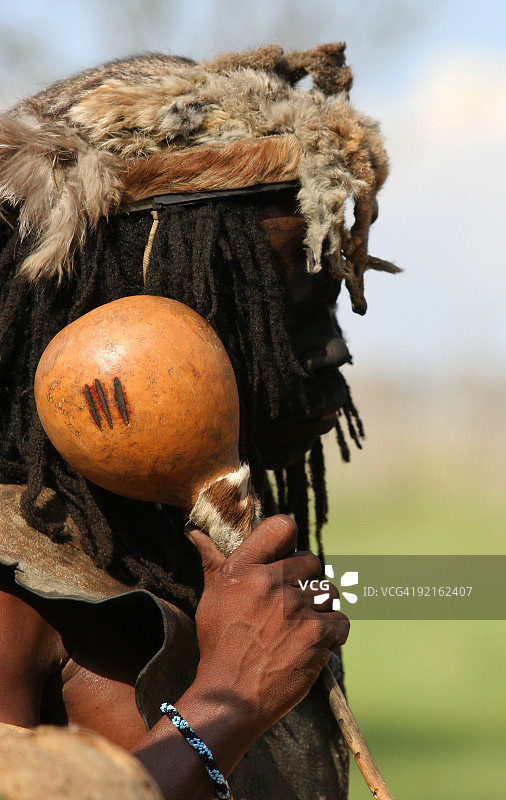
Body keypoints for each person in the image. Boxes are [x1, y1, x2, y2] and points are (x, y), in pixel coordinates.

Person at [0, 44, 396, 799]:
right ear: (137, 307)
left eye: (329, 302)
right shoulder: (17, 593)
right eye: (277, 309)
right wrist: (225, 703)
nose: (329, 349)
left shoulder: (212, 547)